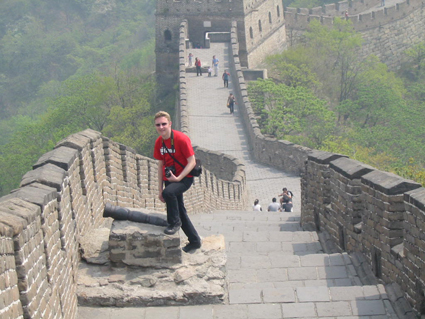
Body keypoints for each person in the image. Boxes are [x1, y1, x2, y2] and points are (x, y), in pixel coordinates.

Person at [153, 111, 202, 253]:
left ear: (170, 124)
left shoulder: (181, 139)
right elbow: (161, 166)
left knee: (170, 194)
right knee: (179, 209)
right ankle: (194, 240)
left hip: (184, 178)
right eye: (158, 125)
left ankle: (174, 223)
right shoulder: (159, 142)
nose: (161, 127)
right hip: (170, 178)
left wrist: (179, 178)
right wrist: (160, 189)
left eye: (164, 124)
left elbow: (191, 161)